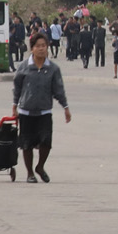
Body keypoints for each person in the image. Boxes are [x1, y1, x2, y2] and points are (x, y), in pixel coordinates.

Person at [11, 34, 71, 184]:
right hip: (26, 111)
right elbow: (17, 88)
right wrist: (14, 107)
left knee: (46, 142)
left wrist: (65, 107)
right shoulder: (24, 67)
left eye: (44, 45)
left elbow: (58, 89)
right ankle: (30, 173)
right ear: (32, 49)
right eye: (38, 46)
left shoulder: (53, 69)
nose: (41, 49)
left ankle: (40, 167)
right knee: (27, 144)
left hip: (44, 111)